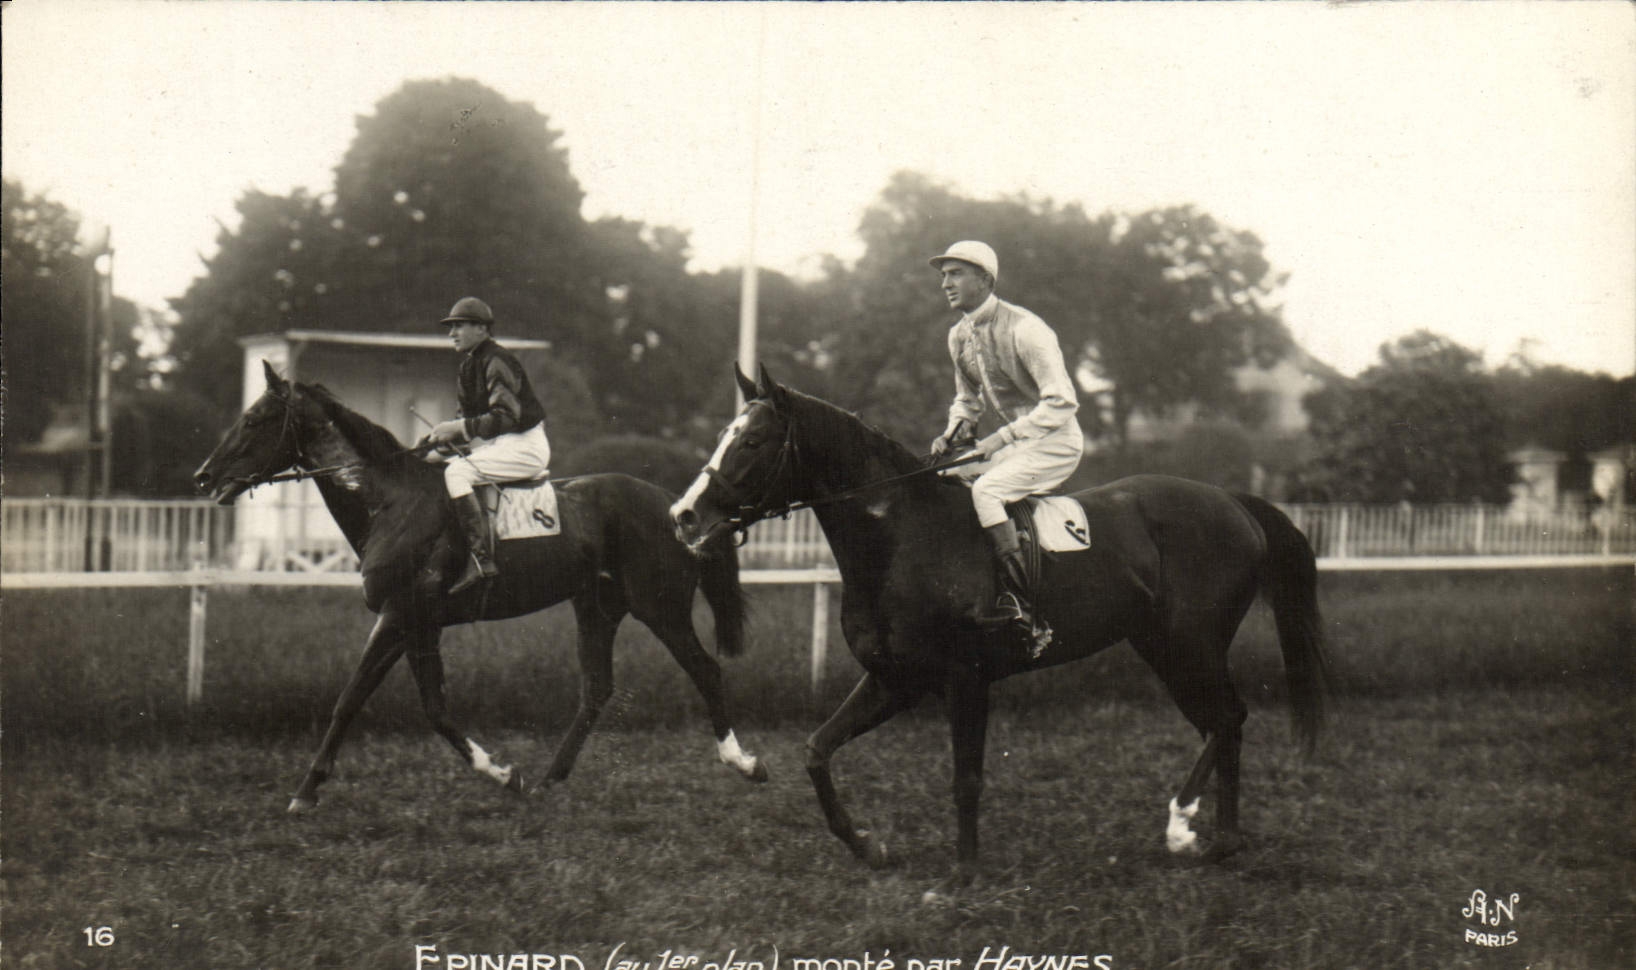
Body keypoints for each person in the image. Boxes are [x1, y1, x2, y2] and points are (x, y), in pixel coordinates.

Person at [927, 241, 1084, 640]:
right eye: (943, 275)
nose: (946, 283)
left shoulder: (1027, 329)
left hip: (1055, 442)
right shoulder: (957, 335)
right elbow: (967, 401)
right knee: (943, 481)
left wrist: (1003, 437)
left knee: (987, 493)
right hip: (1015, 445)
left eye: (956, 273)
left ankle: (1022, 607)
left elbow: (1063, 402)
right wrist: (950, 434)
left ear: (985, 279)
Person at [420, 297, 551, 594]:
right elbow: (463, 425)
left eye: (459, 326)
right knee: (444, 466)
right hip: (502, 445)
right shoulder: (468, 367)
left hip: (526, 445)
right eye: (450, 328)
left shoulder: (497, 360)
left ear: (481, 328)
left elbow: (506, 417)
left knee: (457, 474)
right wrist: (430, 449)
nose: (451, 333)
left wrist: (456, 428)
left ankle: (480, 559)